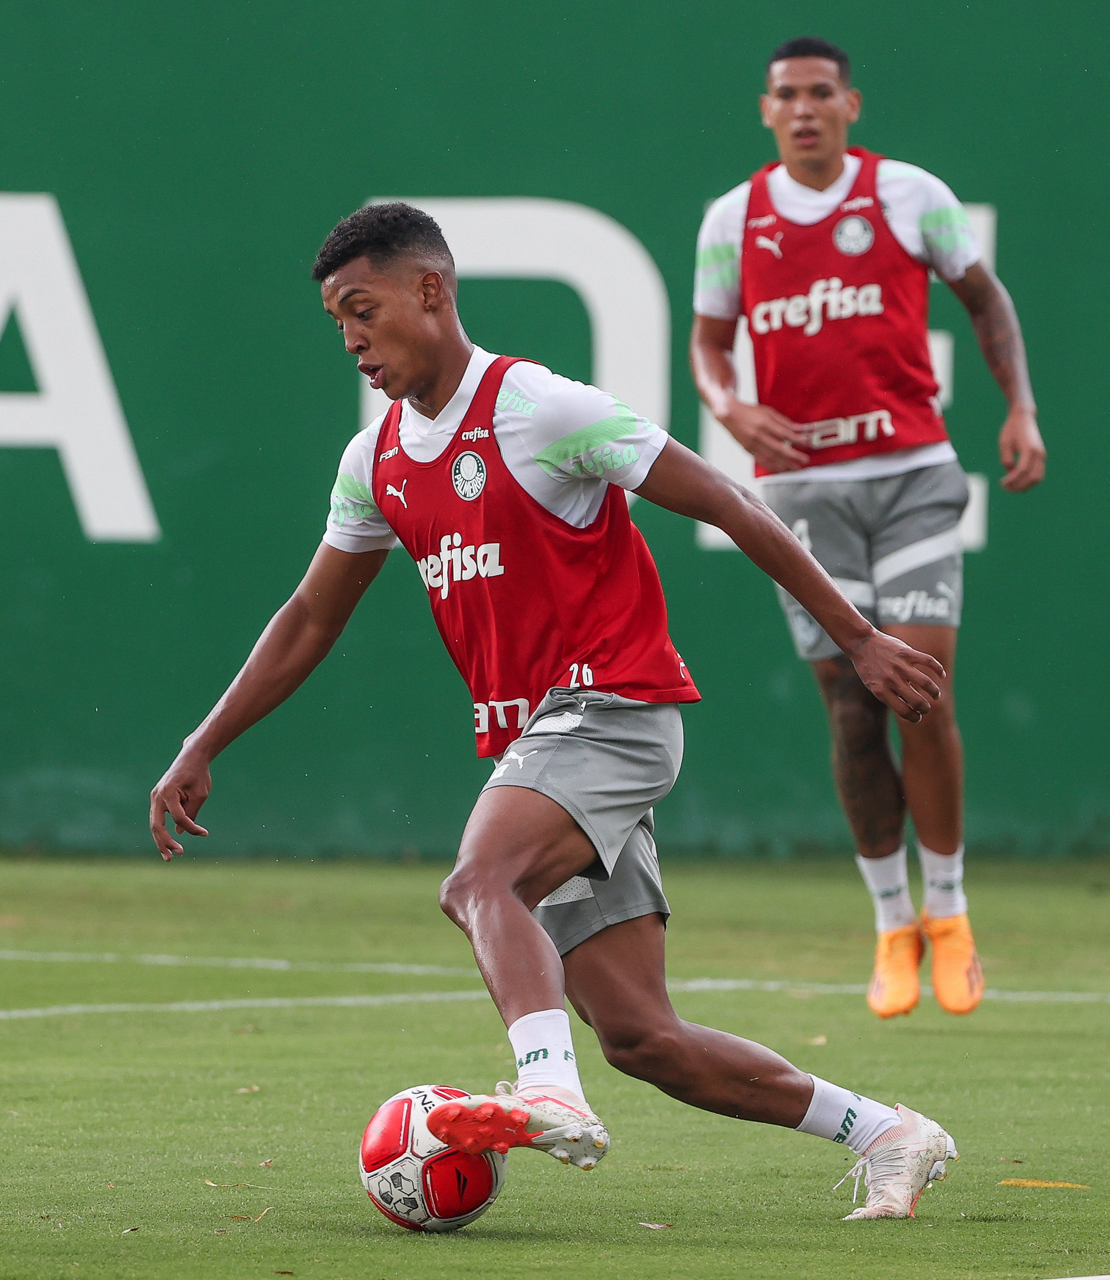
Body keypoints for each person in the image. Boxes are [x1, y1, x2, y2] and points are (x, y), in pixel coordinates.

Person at [151, 201, 958, 1219]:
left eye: (362, 309)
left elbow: (729, 500)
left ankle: (547, 1088)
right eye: (336, 321)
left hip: (613, 706)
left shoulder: (538, 406)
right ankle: (888, 1132)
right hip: (543, 740)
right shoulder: (376, 460)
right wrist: (204, 741)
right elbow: (311, 617)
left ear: (430, 291)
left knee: (479, 879)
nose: (350, 337)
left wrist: (859, 638)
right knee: (644, 1036)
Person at [690, 36, 1045, 1021]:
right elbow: (709, 344)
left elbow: (986, 299)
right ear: (767, 111)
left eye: (821, 93)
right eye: (786, 96)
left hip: (913, 474)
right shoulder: (733, 219)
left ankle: (950, 910)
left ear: (851, 104)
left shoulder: (909, 194)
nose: (804, 109)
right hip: (802, 494)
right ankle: (892, 921)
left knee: (921, 689)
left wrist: (1020, 407)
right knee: (852, 704)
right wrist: (730, 406)